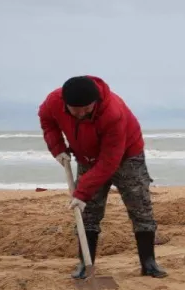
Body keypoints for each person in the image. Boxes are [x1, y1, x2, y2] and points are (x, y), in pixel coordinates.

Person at [38, 75, 167, 279]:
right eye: (75, 110)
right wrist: (58, 148)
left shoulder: (112, 112)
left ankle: (149, 263)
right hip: (86, 156)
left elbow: (109, 162)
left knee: (140, 206)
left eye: (87, 109)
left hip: (126, 156)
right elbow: (47, 121)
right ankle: (84, 264)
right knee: (88, 212)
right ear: (65, 104)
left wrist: (81, 192)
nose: (81, 114)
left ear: (96, 101)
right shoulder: (53, 102)